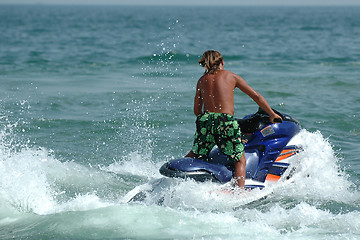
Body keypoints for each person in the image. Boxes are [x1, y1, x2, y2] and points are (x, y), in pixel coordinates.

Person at [185, 50, 282, 188]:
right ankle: (239, 193)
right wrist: (272, 114)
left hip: (205, 119)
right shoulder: (231, 76)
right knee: (239, 160)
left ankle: (173, 177)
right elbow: (256, 96)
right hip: (225, 121)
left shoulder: (201, 80)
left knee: (196, 153)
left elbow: (197, 111)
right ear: (222, 62)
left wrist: (209, 123)